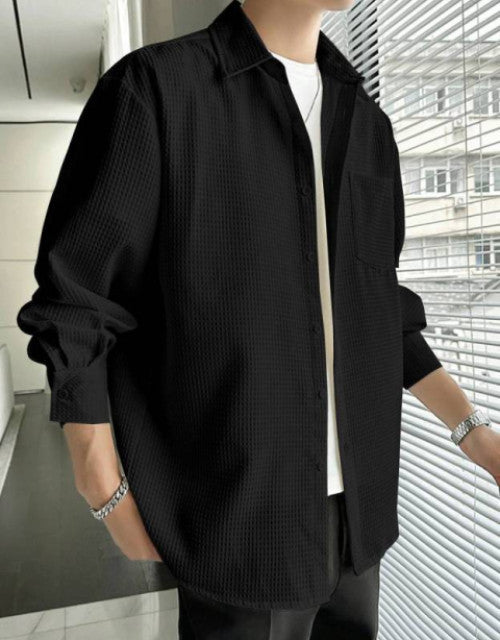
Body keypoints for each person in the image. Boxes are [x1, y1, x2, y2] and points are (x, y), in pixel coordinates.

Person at [17, 0, 500, 638]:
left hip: (361, 519)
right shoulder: (156, 90)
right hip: (237, 520)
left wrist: (475, 435)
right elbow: (77, 300)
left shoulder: (367, 122)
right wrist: (101, 487)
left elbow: (380, 309)